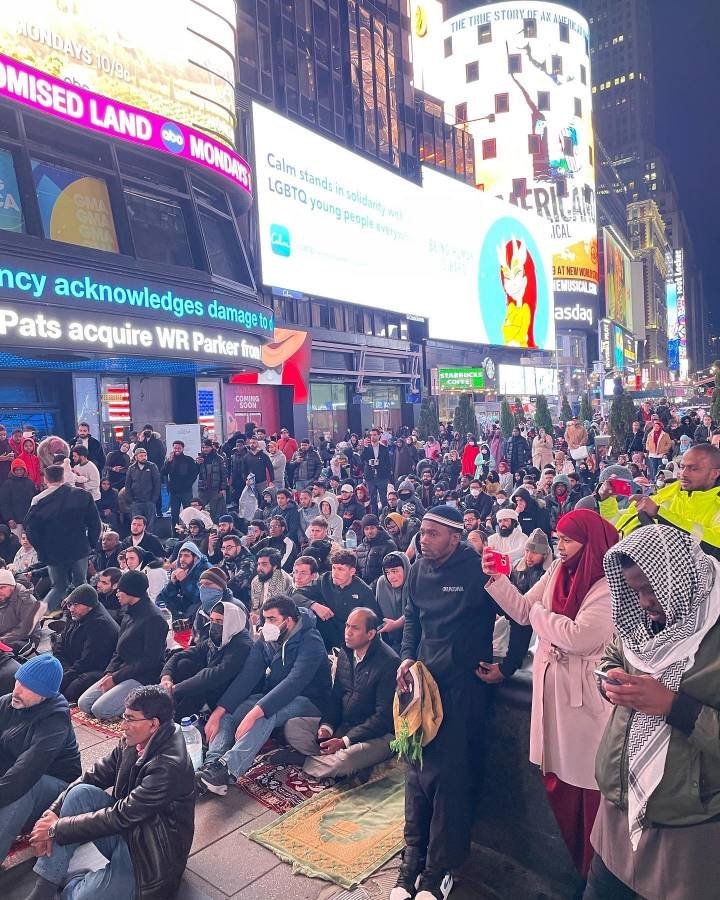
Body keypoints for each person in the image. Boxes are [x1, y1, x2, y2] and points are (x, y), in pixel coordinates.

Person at [585, 526, 720, 900]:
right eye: (634, 591)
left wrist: (674, 706)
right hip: (616, 813)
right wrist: (609, 678)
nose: (643, 602)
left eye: (651, 589)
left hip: (686, 828)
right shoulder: (643, 621)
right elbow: (616, 652)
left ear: (679, 579)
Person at [482, 509, 618, 877]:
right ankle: (580, 870)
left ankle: (594, 874)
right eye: (558, 539)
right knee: (557, 777)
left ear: (591, 544)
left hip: (583, 699)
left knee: (588, 787)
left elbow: (578, 637)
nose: (560, 547)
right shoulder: (558, 570)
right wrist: (497, 579)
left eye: (568, 540)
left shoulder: (608, 586)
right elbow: (522, 611)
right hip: (553, 688)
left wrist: (541, 615)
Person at [393, 506, 495, 900]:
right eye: (422, 532)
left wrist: (505, 666)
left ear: (456, 537)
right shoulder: (418, 568)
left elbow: (519, 614)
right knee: (416, 773)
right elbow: (412, 618)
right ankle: (412, 859)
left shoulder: (477, 568)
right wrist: (406, 657)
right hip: (423, 682)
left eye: (433, 534)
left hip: (462, 687)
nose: (423, 539)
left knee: (449, 780)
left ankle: (439, 870)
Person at [27, 685, 195, 900]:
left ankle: (77, 882)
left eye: (130, 719)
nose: (123, 726)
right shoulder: (134, 740)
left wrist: (55, 829)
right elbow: (94, 775)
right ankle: (43, 890)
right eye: (124, 717)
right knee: (80, 793)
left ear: (154, 724)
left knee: (80, 897)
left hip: (151, 855)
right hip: (128, 828)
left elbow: (121, 815)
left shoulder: (169, 766)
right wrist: (53, 812)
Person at [197, 595, 331, 795]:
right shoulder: (267, 640)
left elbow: (294, 682)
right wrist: (219, 711)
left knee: (265, 714)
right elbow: (248, 676)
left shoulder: (311, 640)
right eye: (265, 619)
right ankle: (211, 766)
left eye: (272, 619)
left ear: (289, 620)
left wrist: (255, 712)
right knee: (229, 713)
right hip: (275, 694)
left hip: (310, 699)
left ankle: (228, 769)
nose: (266, 624)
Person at [284, 607, 397, 778]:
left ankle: (308, 761)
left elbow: (383, 718)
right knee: (293, 726)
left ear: (371, 634)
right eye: (347, 626)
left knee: (345, 761)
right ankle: (327, 759)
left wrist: (345, 741)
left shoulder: (389, 662)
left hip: (376, 734)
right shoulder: (346, 651)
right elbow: (336, 696)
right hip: (344, 724)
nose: (348, 632)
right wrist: (327, 726)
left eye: (355, 628)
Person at [0, 655, 81, 862]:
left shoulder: (55, 719)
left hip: (55, 787)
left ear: (45, 695)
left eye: (28, 687)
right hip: (18, 772)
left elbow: (26, 772)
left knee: (25, 789)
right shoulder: (8, 702)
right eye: (18, 681)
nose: (17, 690)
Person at [77, 570, 168, 720]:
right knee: (84, 704)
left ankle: (138, 705)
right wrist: (109, 672)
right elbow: (119, 649)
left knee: (100, 710)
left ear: (132, 592)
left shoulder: (154, 619)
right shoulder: (128, 611)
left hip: (143, 676)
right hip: (122, 670)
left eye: (120, 590)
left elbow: (150, 660)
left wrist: (116, 678)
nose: (117, 594)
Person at [613, 444, 720, 557]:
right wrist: (606, 500)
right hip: (617, 557)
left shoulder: (716, 507)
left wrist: (660, 514)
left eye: (693, 469)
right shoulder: (663, 495)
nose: (683, 473)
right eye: (682, 467)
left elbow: (715, 546)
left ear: (715, 473)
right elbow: (616, 524)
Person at [477, 528, 551, 686]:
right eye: (527, 551)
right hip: (515, 612)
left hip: (535, 619)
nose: (529, 556)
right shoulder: (517, 567)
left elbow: (527, 609)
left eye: (535, 552)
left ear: (545, 555)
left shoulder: (549, 574)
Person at [24, 465, 101, 613]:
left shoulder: (39, 500)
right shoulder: (82, 495)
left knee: (59, 587)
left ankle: (38, 617)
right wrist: (90, 544)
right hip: (79, 548)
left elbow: (30, 529)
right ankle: (87, 616)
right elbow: (94, 523)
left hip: (53, 553)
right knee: (81, 585)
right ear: (63, 477)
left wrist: (41, 549)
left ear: (45, 479)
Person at [161, 600, 252, 721]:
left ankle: (175, 718)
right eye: (212, 620)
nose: (214, 625)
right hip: (210, 681)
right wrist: (166, 677)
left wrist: (174, 689)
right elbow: (181, 654)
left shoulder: (241, 645)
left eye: (219, 621)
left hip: (227, 692)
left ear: (231, 622)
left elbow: (215, 675)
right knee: (183, 663)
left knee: (199, 687)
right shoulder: (220, 636)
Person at [51, 585, 119, 703]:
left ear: (89, 606)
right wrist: (63, 668)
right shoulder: (76, 614)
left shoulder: (100, 625)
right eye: (70, 604)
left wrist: (64, 677)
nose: (71, 608)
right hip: (73, 663)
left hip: (94, 669)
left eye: (76, 605)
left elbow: (87, 661)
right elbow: (60, 642)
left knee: (69, 691)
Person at [306, 549, 380, 651]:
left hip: (349, 642)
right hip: (323, 638)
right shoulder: (324, 580)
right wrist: (314, 605)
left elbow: (373, 624)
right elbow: (297, 595)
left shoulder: (364, 591)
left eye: (340, 569)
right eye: (333, 568)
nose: (335, 573)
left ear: (352, 571)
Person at [156, 540, 209, 620]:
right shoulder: (183, 568)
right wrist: (172, 583)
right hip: (185, 603)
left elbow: (198, 598)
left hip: (201, 606)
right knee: (162, 601)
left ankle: (183, 622)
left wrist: (184, 581)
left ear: (195, 558)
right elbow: (163, 596)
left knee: (197, 606)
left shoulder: (205, 570)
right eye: (180, 556)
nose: (182, 559)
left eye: (186, 556)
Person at [374, 550, 409, 652]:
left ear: (405, 569)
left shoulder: (415, 581)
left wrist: (396, 624)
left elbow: (416, 612)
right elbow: (378, 613)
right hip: (388, 642)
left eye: (395, 571)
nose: (391, 577)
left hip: (414, 642)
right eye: (387, 572)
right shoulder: (382, 582)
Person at [0, 568, 42, 652]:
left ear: (12, 585)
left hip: (25, 639)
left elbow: (27, 629)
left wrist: (3, 639)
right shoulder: (3, 597)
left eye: (2, 587)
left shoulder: (26, 600)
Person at [248, 547, 293, 624]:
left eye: (264, 564)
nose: (259, 568)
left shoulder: (286, 581)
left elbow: (285, 611)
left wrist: (260, 619)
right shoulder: (256, 581)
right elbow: (254, 607)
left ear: (275, 566)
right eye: (258, 564)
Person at [162, 440, 200, 527]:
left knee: (188, 513)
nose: (177, 450)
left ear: (183, 448)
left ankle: (189, 531)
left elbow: (194, 473)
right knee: (174, 514)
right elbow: (163, 472)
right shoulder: (170, 460)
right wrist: (169, 462)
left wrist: (188, 484)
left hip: (186, 491)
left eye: (179, 448)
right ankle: (174, 532)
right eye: (175, 448)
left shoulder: (188, 459)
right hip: (174, 492)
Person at [123, 446, 161, 531]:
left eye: (145, 455)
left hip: (149, 501)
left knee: (150, 526)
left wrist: (154, 499)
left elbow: (157, 483)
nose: (144, 457)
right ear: (136, 457)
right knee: (137, 526)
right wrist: (130, 500)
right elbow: (127, 485)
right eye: (141, 456)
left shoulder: (152, 466)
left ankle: (149, 539)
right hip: (136, 502)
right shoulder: (131, 468)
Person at [355, 514, 397, 587]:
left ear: (377, 528)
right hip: (363, 588)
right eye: (366, 529)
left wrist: (372, 587)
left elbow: (389, 571)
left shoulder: (389, 545)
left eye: (372, 528)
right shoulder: (360, 548)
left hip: (382, 587)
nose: (369, 531)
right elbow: (357, 570)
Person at [360, 428, 393, 515]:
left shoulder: (384, 448)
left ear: (379, 436)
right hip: (370, 477)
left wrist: (388, 477)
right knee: (372, 500)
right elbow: (361, 459)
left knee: (383, 499)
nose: (372, 437)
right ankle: (374, 518)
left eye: (374, 435)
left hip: (382, 477)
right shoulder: (367, 448)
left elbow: (388, 463)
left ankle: (385, 516)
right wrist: (365, 447)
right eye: (371, 435)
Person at [0, 458, 37, 532]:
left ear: (24, 470)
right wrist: (9, 519)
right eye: (16, 470)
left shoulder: (30, 483)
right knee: (17, 539)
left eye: (21, 469)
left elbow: (34, 501)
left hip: (29, 520)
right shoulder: (7, 484)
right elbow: (4, 503)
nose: (19, 472)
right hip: (15, 522)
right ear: (13, 471)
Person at [197, 439, 227, 521]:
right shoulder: (200, 458)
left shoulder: (219, 458)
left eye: (206, 447)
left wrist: (223, 488)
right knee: (200, 510)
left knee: (215, 510)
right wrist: (197, 464)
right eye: (203, 447)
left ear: (211, 447)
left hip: (215, 489)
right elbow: (195, 472)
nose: (204, 449)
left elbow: (224, 474)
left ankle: (215, 526)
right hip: (203, 488)